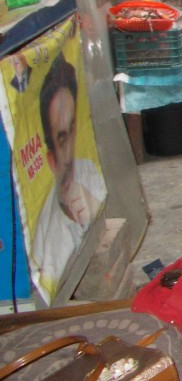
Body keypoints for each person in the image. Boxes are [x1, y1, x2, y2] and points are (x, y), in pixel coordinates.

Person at [32, 52, 107, 291]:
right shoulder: (45, 245)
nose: (73, 146)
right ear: (51, 159)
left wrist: (94, 207)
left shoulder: (88, 172)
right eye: (62, 138)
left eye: (73, 128)